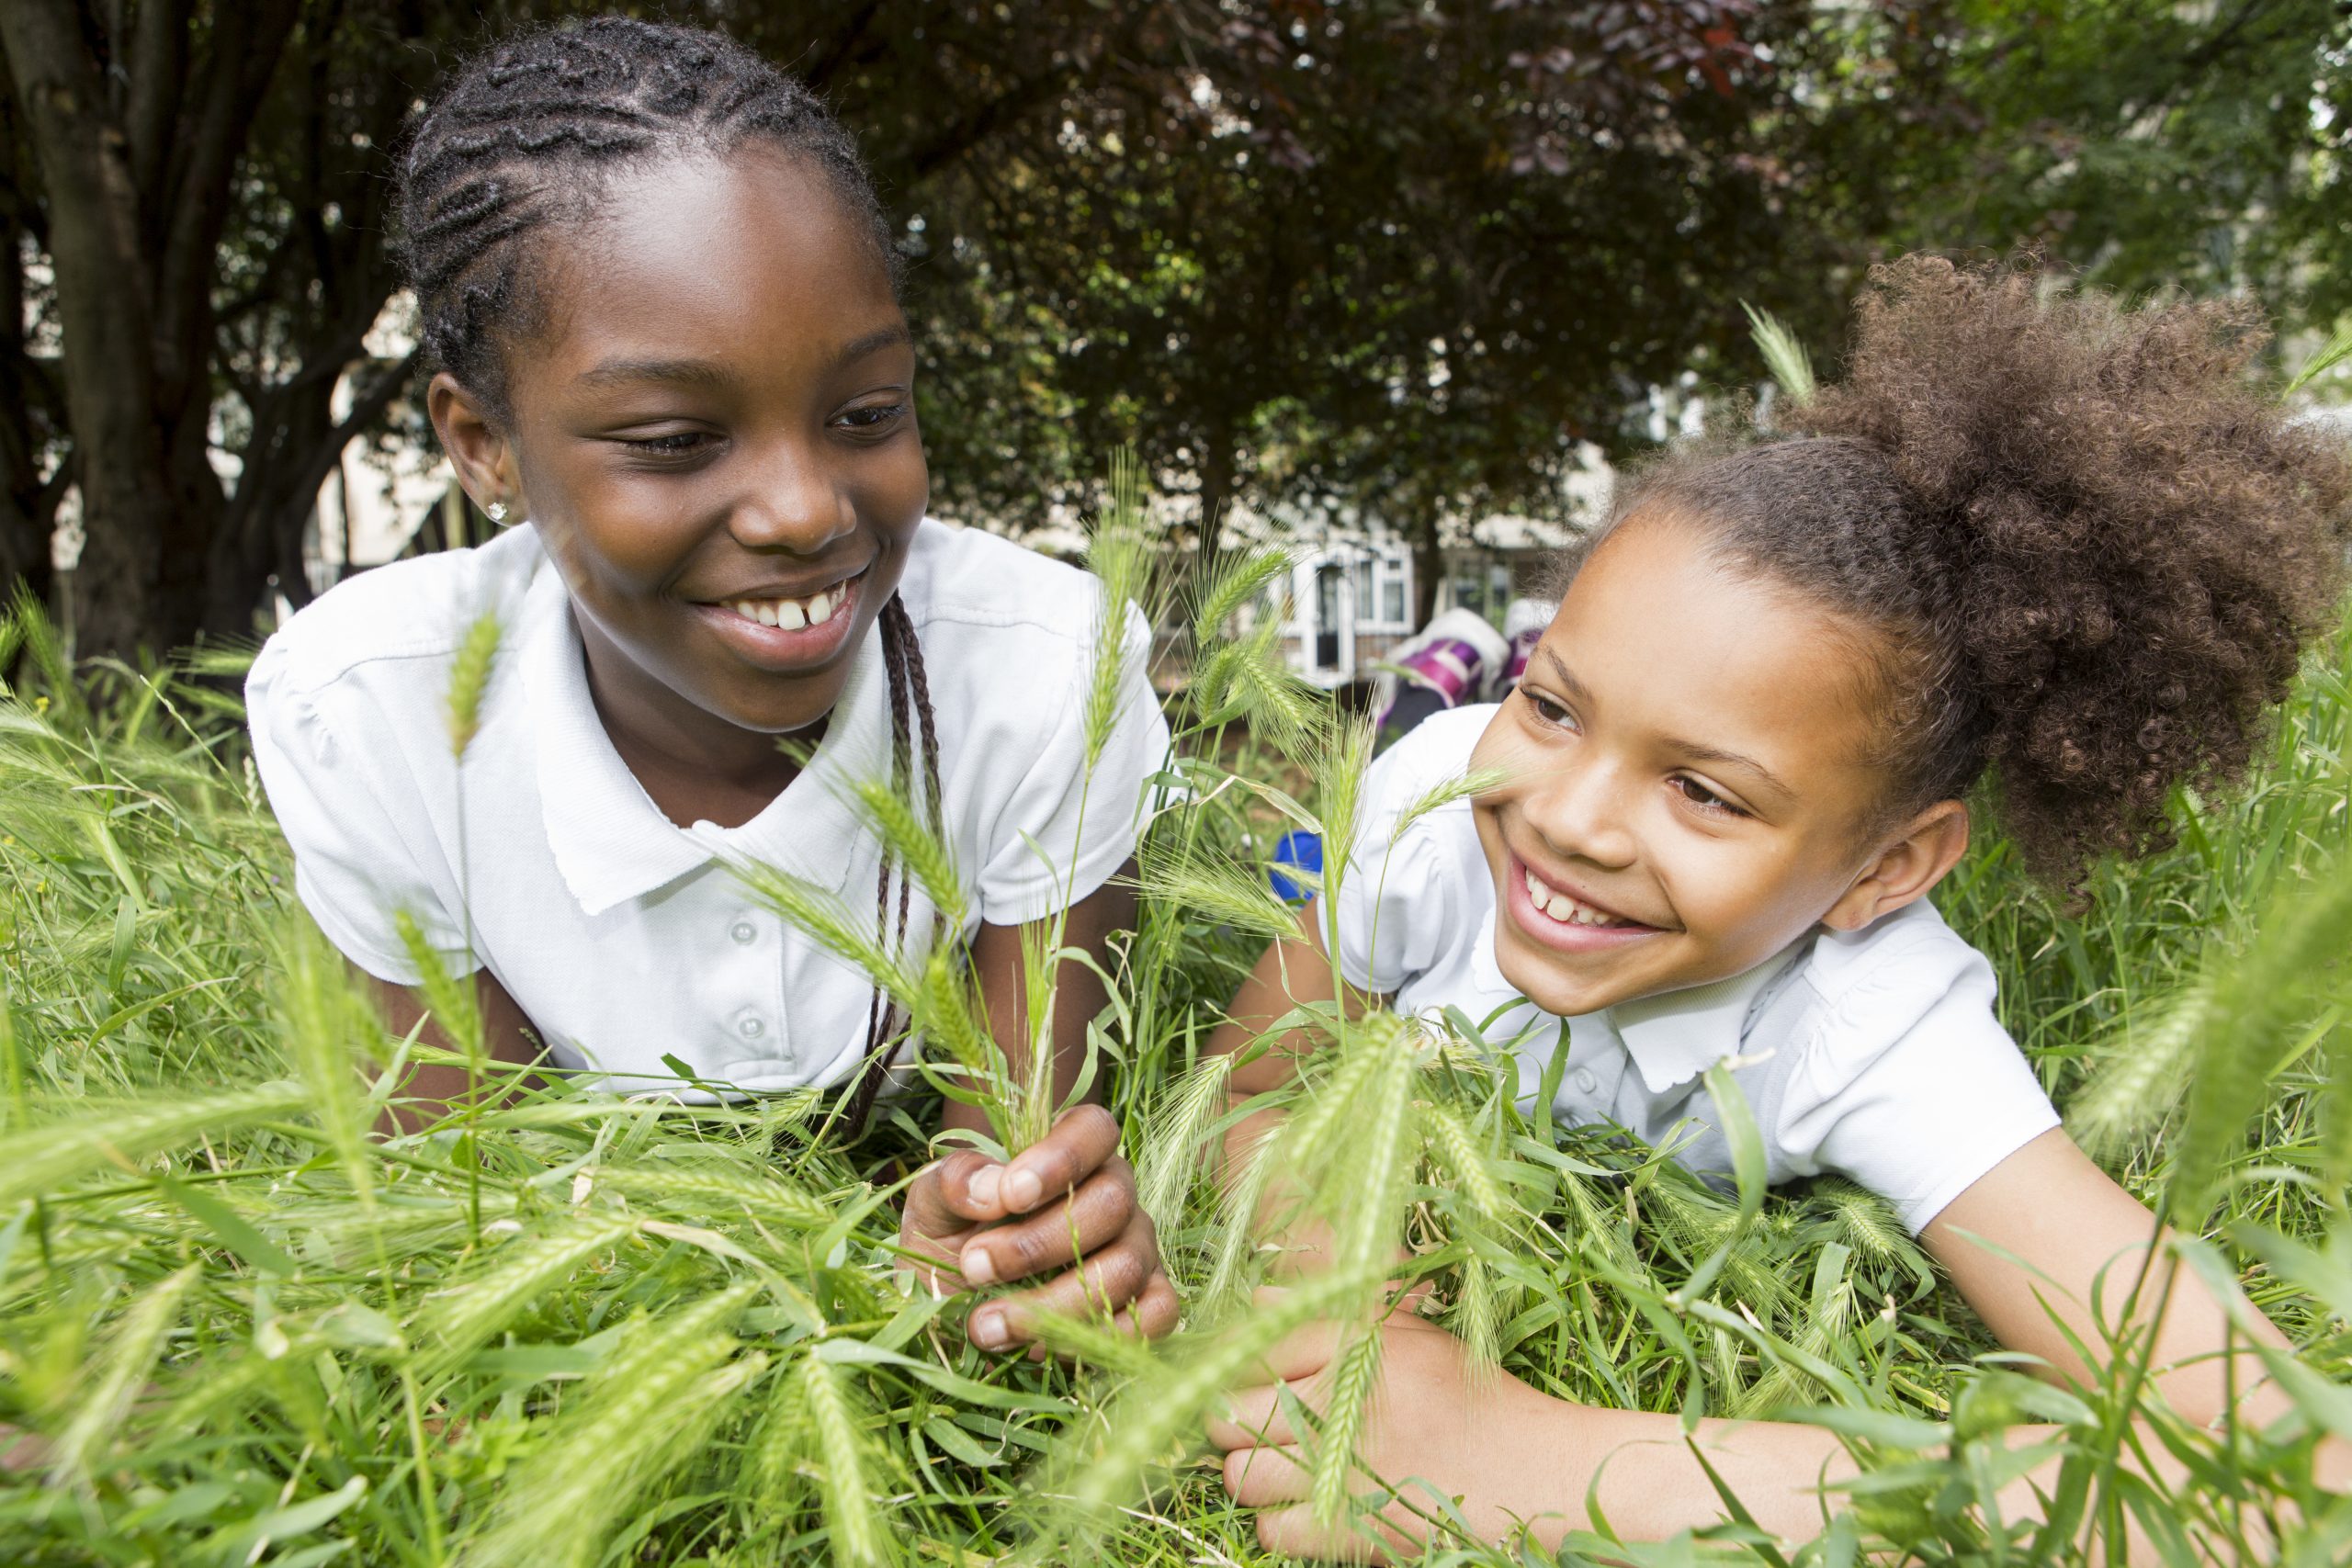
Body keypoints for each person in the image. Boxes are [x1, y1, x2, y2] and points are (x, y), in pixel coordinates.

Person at [1202, 256, 2352, 1557]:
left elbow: (2294, 1468)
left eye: (1702, 790)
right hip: (1418, 762)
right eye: (1556, 706)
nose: (1569, 819)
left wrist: (1550, 1459)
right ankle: (1460, 670)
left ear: (1886, 871)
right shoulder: (1434, 809)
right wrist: (1355, 1313)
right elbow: (1254, 1083)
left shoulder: (1879, 1022)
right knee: (1434, 735)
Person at [244, 17, 1177, 1357]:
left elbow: (1008, 1170)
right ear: (482, 444)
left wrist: (989, 1242)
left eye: (867, 414)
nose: (806, 511)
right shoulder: (370, 714)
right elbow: (480, 1216)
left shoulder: (1042, 676)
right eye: (676, 439)